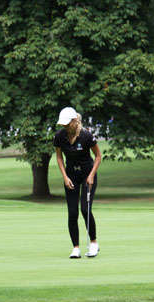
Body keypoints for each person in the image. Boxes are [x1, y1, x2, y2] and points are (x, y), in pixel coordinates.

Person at [54, 107, 101, 258]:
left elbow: (98, 156)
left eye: (67, 124)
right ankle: (76, 248)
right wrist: (65, 177)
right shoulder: (60, 136)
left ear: (75, 121)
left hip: (88, 175)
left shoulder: (86, 136)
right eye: (63, 124)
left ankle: (93, 243)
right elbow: (59, 158)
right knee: (72, 212)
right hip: (71, 175)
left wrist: (92, 175)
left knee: (85, 209)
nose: (65, 127)